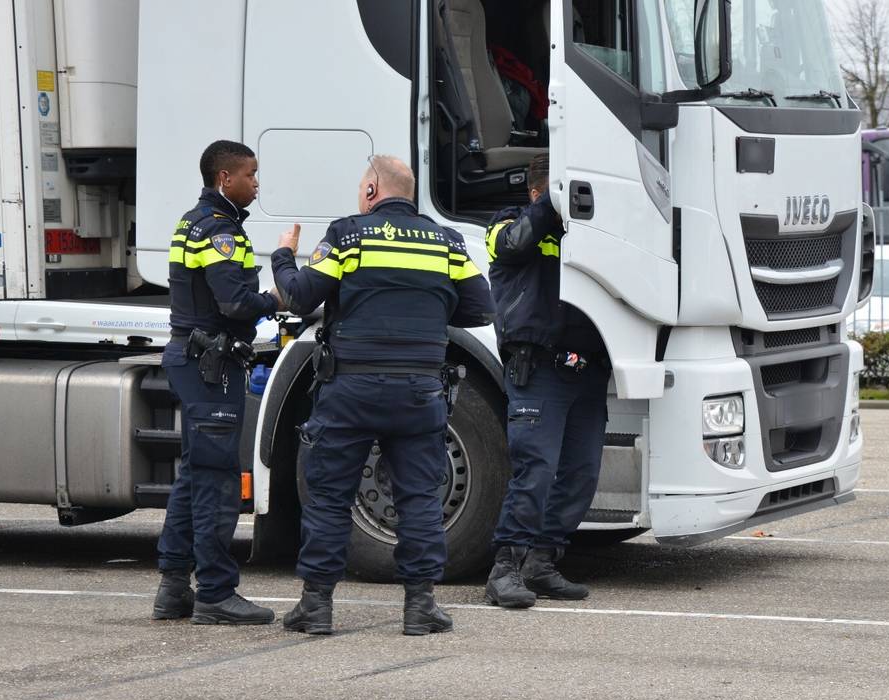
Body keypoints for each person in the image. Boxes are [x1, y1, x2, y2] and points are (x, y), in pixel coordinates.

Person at [271, 155, 494, 636]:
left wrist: (283, 257)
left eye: (360, 187)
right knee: (419, 498)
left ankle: (316, 607)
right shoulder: (445, 241)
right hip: (419, 391)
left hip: (349, 389)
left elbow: (300, 297)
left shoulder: (348, 235)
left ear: (372, 189)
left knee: (330, 497)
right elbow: (481, 308)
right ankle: (420, 607)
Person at [153, 140, 281, 625]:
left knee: (193, 474)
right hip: (211, 365)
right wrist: (276, 298)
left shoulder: (194, 220)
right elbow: (235, 303)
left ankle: (172, 587)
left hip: (194, 358)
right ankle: (215, 593)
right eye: (251, 174)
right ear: (224, 178)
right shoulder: (220, 230)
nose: (256, 183)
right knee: (217, 481)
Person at [483, 153, 610, 609]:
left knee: (580, 474)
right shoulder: (509, 224)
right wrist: (549, 206)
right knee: (535, 470)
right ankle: (505, 569)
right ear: (540, 191)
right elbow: (512, 245)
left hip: (587, 370)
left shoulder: (586, 231)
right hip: (537, 368)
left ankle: (542, 561)